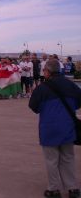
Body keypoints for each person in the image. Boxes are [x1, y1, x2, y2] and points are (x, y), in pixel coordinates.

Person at [29, 59, 81, 198]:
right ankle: (73, 189)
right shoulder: (71, 85)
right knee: (68, 158)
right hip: (68, 127)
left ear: (47, 72)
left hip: (49, 128)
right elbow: (78, 102)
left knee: (52, 160)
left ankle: (54, 189)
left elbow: (33, 106)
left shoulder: (42, 88)